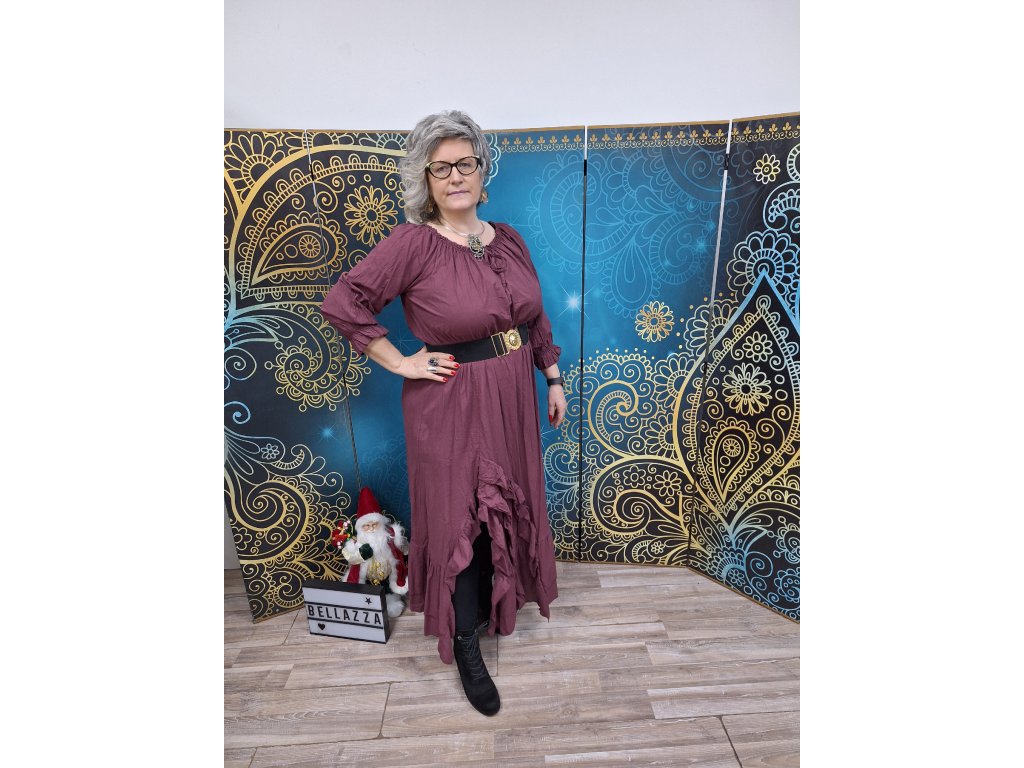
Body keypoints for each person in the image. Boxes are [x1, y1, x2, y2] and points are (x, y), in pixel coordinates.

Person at [320, 110, 566, 716]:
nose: (456, 176)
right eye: (441, 168)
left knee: (501, 505)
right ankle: (463, 643)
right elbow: (344, 301)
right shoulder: (414, 243)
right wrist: (400, 362)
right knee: (461, 518)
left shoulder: (509, 239)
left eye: (465, 163)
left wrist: (552, 376)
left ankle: (491, 609)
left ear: (482, 172)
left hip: (511, 393)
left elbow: (534, 315)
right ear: (426, 180)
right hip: (450, 399)